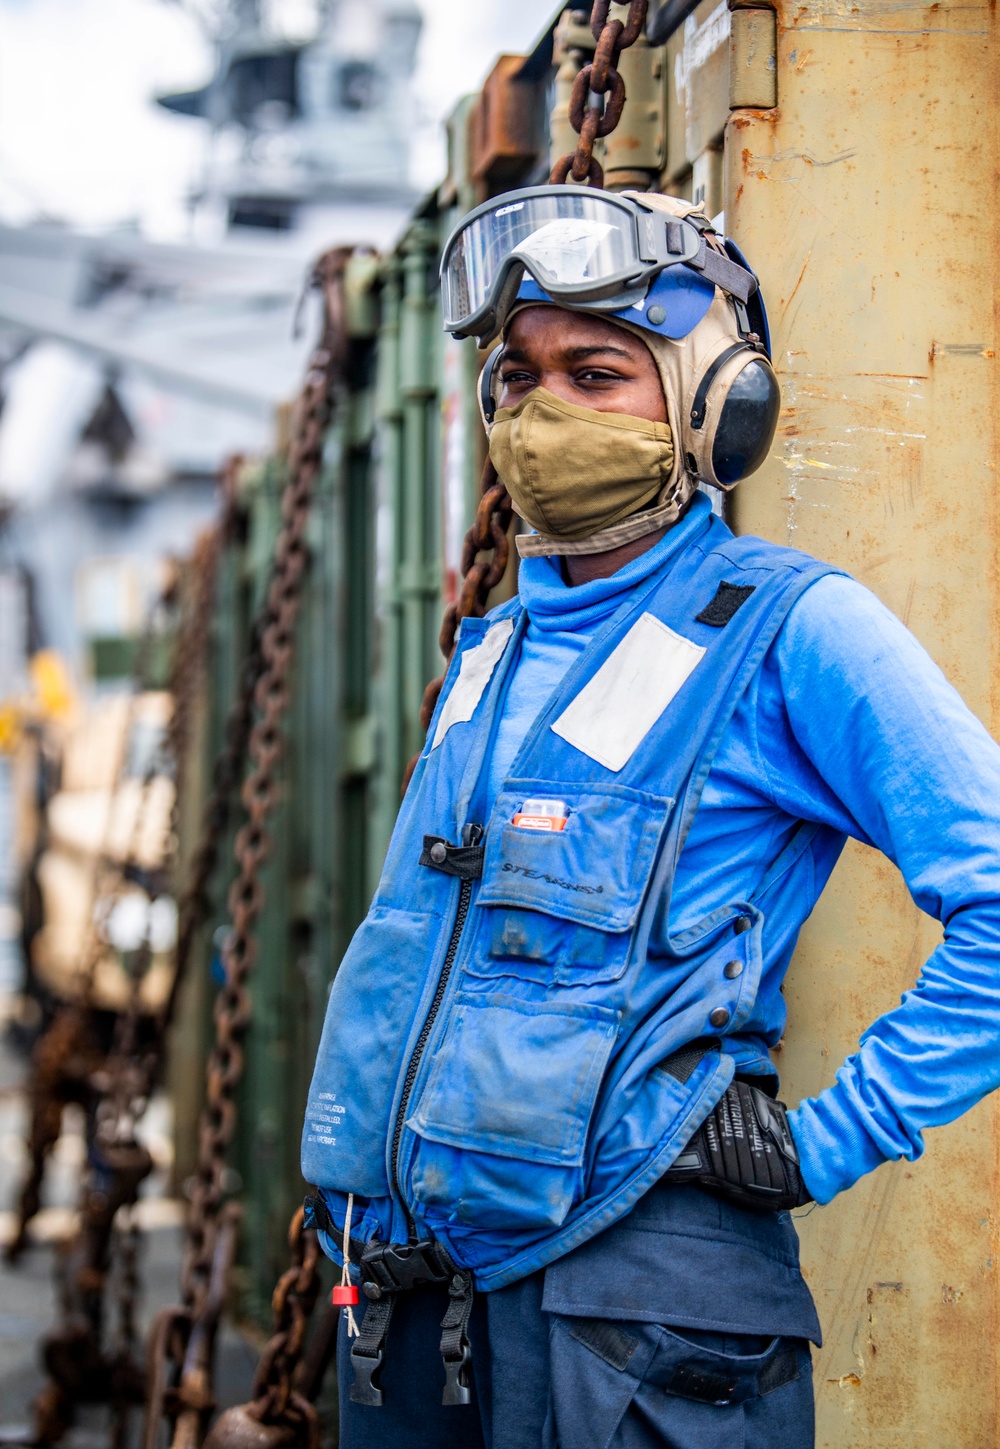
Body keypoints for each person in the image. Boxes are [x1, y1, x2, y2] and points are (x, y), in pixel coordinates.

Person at [301, 187, 1000, 1449]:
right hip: (410, 1308)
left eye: (597, 371)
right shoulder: (495, 649)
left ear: (713, 407)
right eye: (516, 377)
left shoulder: (789, 628)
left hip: (632, 1326)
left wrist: (832, 1138)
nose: (540, 410)